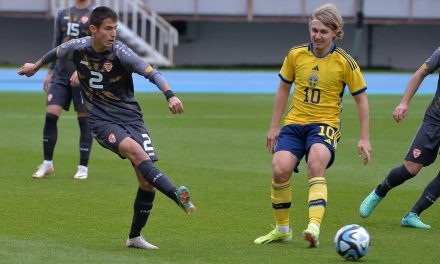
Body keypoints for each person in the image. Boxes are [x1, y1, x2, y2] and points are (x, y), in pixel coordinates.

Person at [18, 6, 196, 249]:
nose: (113, 33)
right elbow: (57, 51)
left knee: (146, 181)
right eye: (108, 28)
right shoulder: (78, 46)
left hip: (132, 118)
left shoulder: (122, 53)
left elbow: (153, 73)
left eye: (115, 28)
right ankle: (178, 196)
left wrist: (170, 95)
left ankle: (134, 237)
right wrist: (35, 66)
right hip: (101, 121)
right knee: (136, 153)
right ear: (94, 29)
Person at [254, 3, 371, 248]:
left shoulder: (345, 62)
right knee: (279, 168)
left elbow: (361, 99)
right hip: (295, 123)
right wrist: (274, 126)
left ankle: (313, 228)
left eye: (323, 32)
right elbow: (284, 88)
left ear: (335, 32)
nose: (318, 36)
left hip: (325, 124)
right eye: (314, 30)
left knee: (316, 163)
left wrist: (364, 137)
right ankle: (282, 230)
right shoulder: (296, 55)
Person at [360, 47, 440, 229]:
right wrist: (404, 102)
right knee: (411, 169)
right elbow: (421, 73)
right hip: (435, 121)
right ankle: (379, 192)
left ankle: (412, 215)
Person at [33, 0, 94, 180]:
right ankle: (47, 164)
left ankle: (83, 167)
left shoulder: (95, 14)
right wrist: (50, 71)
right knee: (50, 116)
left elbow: (96, 47)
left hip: (82, 74)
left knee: (84, 121)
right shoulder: (63, 13)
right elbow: (57, 43)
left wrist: (83, 69)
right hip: (60, 73)